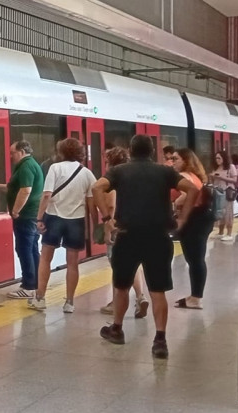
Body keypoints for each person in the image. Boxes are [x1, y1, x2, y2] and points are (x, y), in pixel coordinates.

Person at [92, 135, 198, 359]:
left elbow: (97, 187)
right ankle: (160, 340)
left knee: (121, 286)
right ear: (152, 151)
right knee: (157, 291)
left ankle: (117, 329)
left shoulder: (119, 171)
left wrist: (107, 219)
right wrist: (183, 219)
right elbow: (192, 189)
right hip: (158, 238)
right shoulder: (165, 172)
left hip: (127, 236)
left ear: (130, 150)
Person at [29, 138, 96, 313]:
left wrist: (39, 218)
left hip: (54, 218)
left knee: (45, 258)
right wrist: (96, 225)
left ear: (61, 151)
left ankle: (40, 298)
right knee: (72, 263)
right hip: (76, 221)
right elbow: (91, 203)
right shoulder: (87, 173)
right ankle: (69, 302)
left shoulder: (55, 168)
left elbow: (46, 195)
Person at [0, 141, 44, 299]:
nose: (10, 156)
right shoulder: (31, 164)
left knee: (24, 249)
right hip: (32, 215)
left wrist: (15, 210)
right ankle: (35, 283)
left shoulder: (26, 166)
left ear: (21, 151)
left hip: (25, 216)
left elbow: (25, 190)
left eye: (12, 152)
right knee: (32, 248)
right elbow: (12, 187)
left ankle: (28, 286)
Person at [99, 147, 149, 319]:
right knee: (134, 264)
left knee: (118, 267)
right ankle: (140, 297)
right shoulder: (135, 179)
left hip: (118, 228)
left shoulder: (113, 181)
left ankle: (116, 303)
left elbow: (111, 206)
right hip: (134, 226)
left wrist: (107, 230)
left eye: (107, 162)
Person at [170, 148, 216, 310]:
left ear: (185, 161)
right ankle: (194, 295)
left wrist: (176, 204)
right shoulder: (193, 175)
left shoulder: (184, 176)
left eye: (175, 159)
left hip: (194, 220)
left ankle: (196, 298)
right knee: (195, 258)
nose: (172, 162)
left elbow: (187, 195)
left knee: (195, 259)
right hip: (201, 218)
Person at [210, 151, 238, 239]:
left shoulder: (231, 167)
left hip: (227, 192)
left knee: (228, 212)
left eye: (219, 158)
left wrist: (221, 177)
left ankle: (229, 233)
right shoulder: (216, 168)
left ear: (224, 158)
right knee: (219, 212)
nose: (217, 160)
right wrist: (211, 177)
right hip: (217, 192)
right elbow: (213, 181)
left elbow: (234, 180)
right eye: (216, 158)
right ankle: (220, 232)